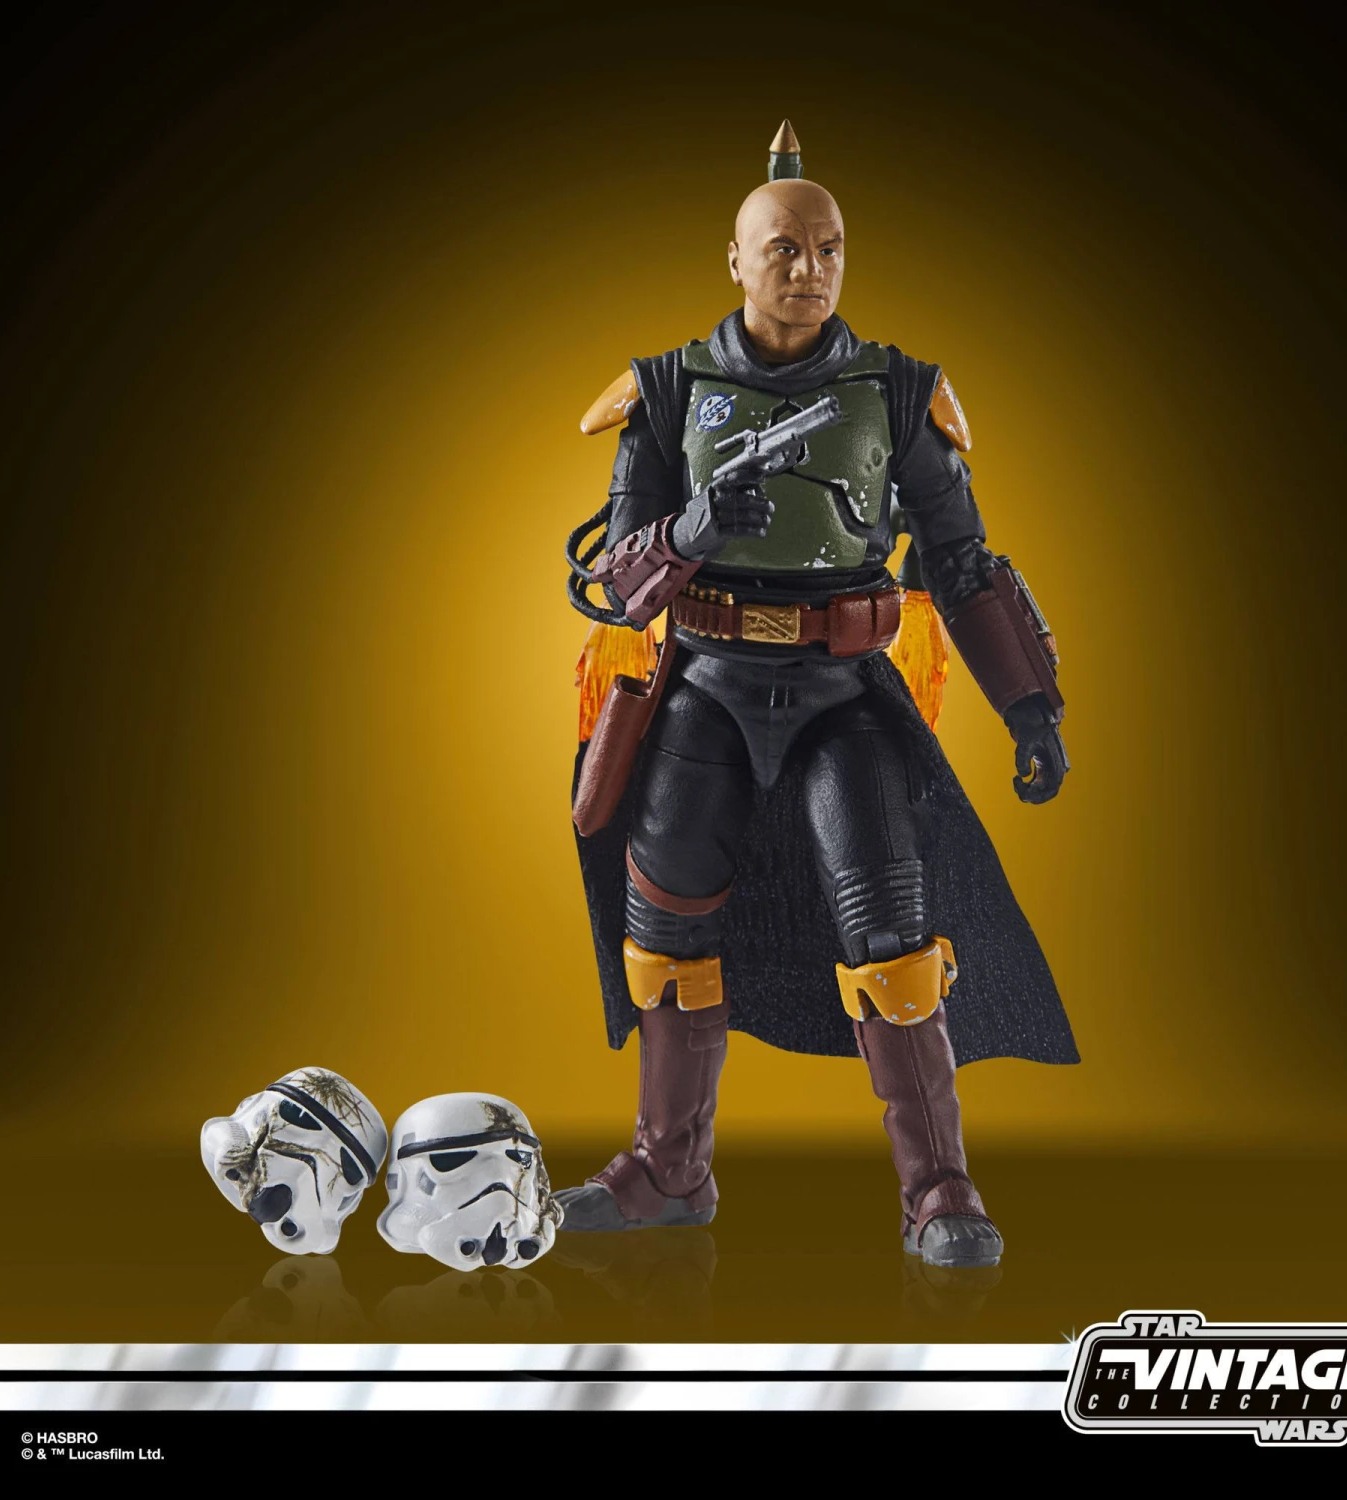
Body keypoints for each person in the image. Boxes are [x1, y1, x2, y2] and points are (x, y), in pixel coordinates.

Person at [561, 124, 1076, 1267]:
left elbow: (962, 566)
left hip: (843, 691)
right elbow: (610, 585)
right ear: (735, 260)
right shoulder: (666, 390)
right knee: (666, 927)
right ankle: (668, 1169)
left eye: (830, 249)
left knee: (893, 936)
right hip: (704, 686)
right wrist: (690, 534)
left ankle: (939, 1190)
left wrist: (1030, 708)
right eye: (785, 249)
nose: (810, 269)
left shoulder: (897, 392)